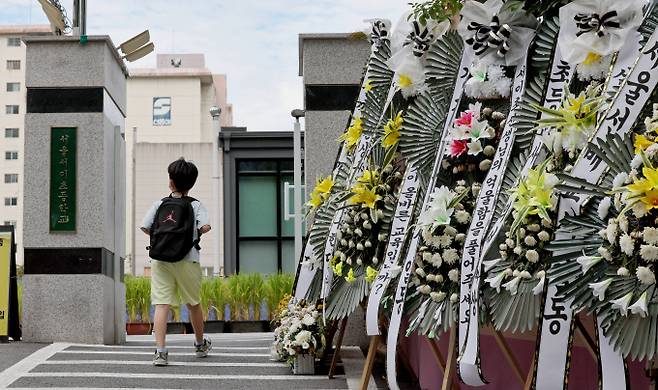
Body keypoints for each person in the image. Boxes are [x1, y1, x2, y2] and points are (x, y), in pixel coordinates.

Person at [140, 157, 212, 366]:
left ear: (170, 181)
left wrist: (164, 238)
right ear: (192, 183)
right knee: (193, 303)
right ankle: (200, 344)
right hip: (188, 258)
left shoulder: (160, 204)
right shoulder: (196, 205)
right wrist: (192, 233)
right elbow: (206, 227)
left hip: (160, 259)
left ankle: (160, 352)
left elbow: (145, 227)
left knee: (161, 305)